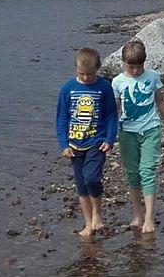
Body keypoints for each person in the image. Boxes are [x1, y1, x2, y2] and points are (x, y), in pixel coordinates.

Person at [55, 48, 119, 237]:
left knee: (92, 178)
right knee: (81, 184)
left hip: (96, 142)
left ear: (97, 69)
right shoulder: (67, 89)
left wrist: (109, 139)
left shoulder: (104, 87)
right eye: (81, 74)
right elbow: (61, 119)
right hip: (75, 144)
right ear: (76, 69)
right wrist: (63, 144)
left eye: (90, 74)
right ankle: (88, 223)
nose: (85, 78)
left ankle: (97, 214)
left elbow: (111, 115)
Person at [110, 40, 164, 234]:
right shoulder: (117, 81)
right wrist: (109, 132)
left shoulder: (152, 76)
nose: (136, 70)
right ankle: (137, 214)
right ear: (123, 63)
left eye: (139, 66)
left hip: (151, 130)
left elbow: (160, 101)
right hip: (127, 131)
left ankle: (149, 218)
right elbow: (116, 109)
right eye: (131, 66)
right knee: (132, 173)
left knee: (147, 171)